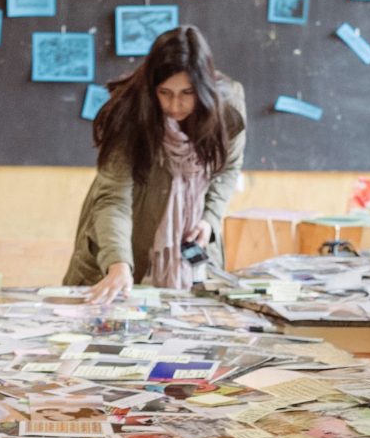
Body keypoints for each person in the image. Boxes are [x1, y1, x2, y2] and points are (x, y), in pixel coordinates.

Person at [65, 25, 246, 304]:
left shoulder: (227, 111)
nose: (176, 105)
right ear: (152, 89)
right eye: (165, 92)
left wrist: (209, 218)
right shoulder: (129, 111)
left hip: (191, 260)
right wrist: (118, 264)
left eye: (187, 92)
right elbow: (113, 199)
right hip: (123, 246)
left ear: (204, 88)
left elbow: (228, 169)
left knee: (195, 336)